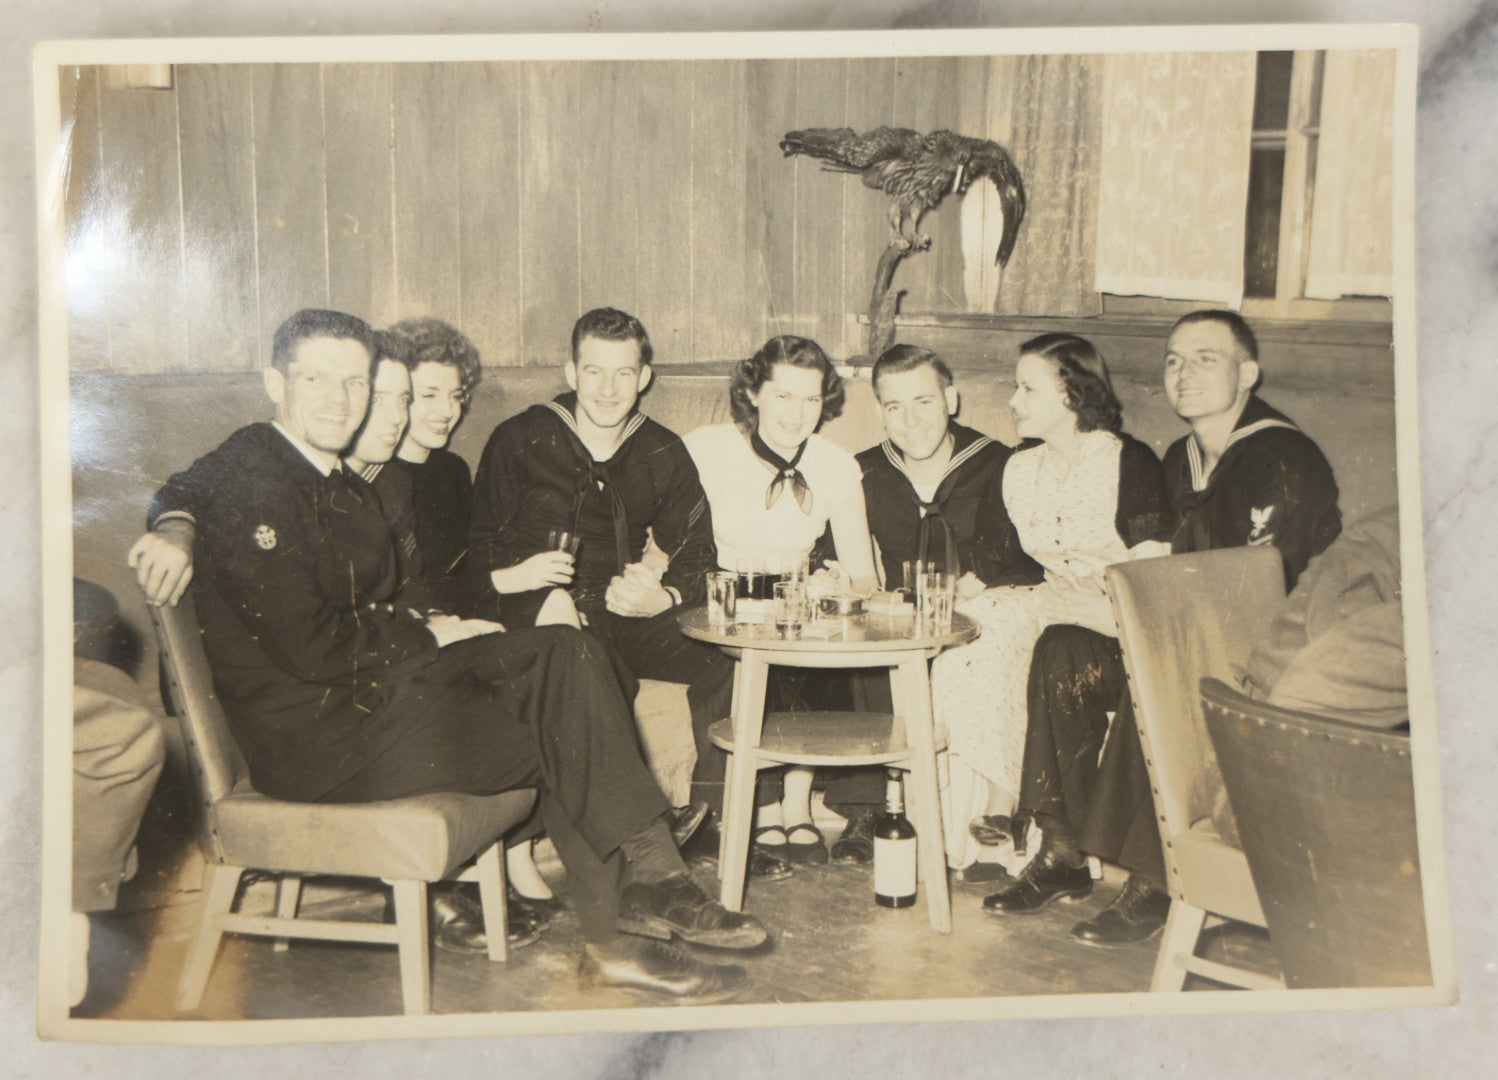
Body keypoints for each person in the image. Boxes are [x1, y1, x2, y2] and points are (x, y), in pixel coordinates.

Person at [137, 308, 764, 1001]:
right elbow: (314, 648)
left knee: (568, 656)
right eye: (317, 380)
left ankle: (644, 894)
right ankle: (637, 908)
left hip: (373, 698)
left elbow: (189, 490)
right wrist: (431, 635)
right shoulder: (258, 475)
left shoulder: (327, 473)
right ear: (275, 383)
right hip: (319, 741)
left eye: (355, 383)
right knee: (563, 718)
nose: (340, 400)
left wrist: (441, 629)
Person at [995, 310, 1341, 945]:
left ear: (1248, 374)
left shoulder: (1286, 460)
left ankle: (1157, 879)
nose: (1184, 373)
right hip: (1191, 630)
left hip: (1271, 654)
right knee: (1064, 648)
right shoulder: (1183, 458)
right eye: (1174, 360)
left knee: (1155, 670)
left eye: (1206, 359)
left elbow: (1263, 594)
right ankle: (1064, 849)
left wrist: (1157, 627)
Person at [466, 308, 756, 873]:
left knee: (726, 652)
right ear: (570, 372)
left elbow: (699, 553)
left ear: (644, 377)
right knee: (578, 655)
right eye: (594, 371)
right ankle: (645, 823)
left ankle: (714, 820)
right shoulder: (520, 438)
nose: (607, 389)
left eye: (623, 373)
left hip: (617, 609)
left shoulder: (660, 449)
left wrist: (662, 598)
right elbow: (477, 558)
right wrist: (528, 589)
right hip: (534, 604)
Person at [927, 333, 1173, 880]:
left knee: (1047, 642)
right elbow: (1001, 560)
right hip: (1056, 600)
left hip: (1119, 614)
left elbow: (1153, 571)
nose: (1013, 401)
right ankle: (993, 805)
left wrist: (1101, 605)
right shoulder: (1020, 467)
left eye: (1027, 388)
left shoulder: (1128, 461)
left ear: (1071, 393)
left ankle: (1021, 814)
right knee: (976, 637)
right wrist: (965, 590)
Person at [821, 344, 1043, 864]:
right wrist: (841, 581)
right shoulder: (862, 472)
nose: (911, 420)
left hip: (979, 610)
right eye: (894, 407)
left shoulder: (1000, 463)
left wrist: (982, 581)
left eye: (923, 402)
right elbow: (836, 556)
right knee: (861, 635)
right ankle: (867, 808)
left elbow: (1026, 556)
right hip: (900, 612)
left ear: (951, 399)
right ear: (880, 413)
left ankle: (988, 811)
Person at [683, 335, 881, 866]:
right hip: (724, 600)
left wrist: (840, 586)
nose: (797, 415)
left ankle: (798, 804)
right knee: (739, 657)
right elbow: (672, 546)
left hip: (795, 602)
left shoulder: (837, 465)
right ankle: (763, 808)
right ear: (753, 393)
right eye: (783, 397)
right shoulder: (707, 449)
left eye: (811, 399)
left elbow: (864, 575)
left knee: (821, 650)